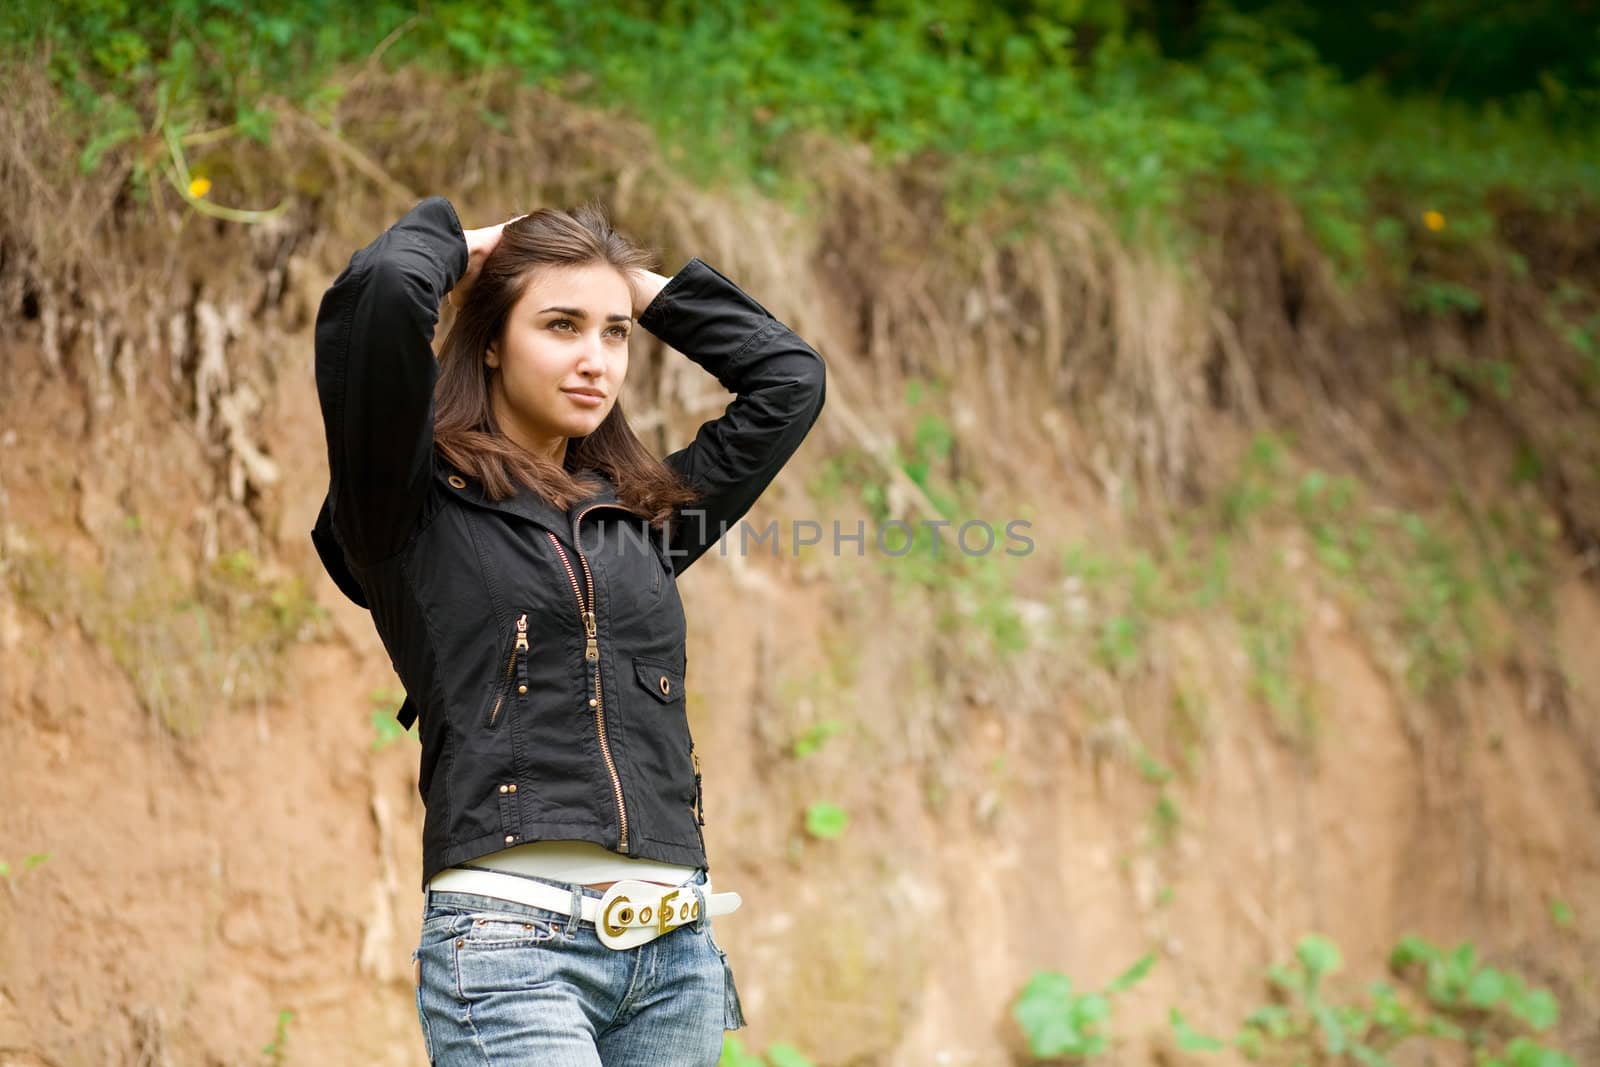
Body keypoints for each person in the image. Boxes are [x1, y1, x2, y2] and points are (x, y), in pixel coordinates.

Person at [310, 195, 826, 1065]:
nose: (596, 360)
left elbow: (789, 380)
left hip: (676, 957)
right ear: (488, 340)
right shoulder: (406, 505)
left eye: (615, 333)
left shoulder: (643, 517)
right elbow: (389, 288)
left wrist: (630, 283)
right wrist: (474, 247)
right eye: (560, 325)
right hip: (513, 949)